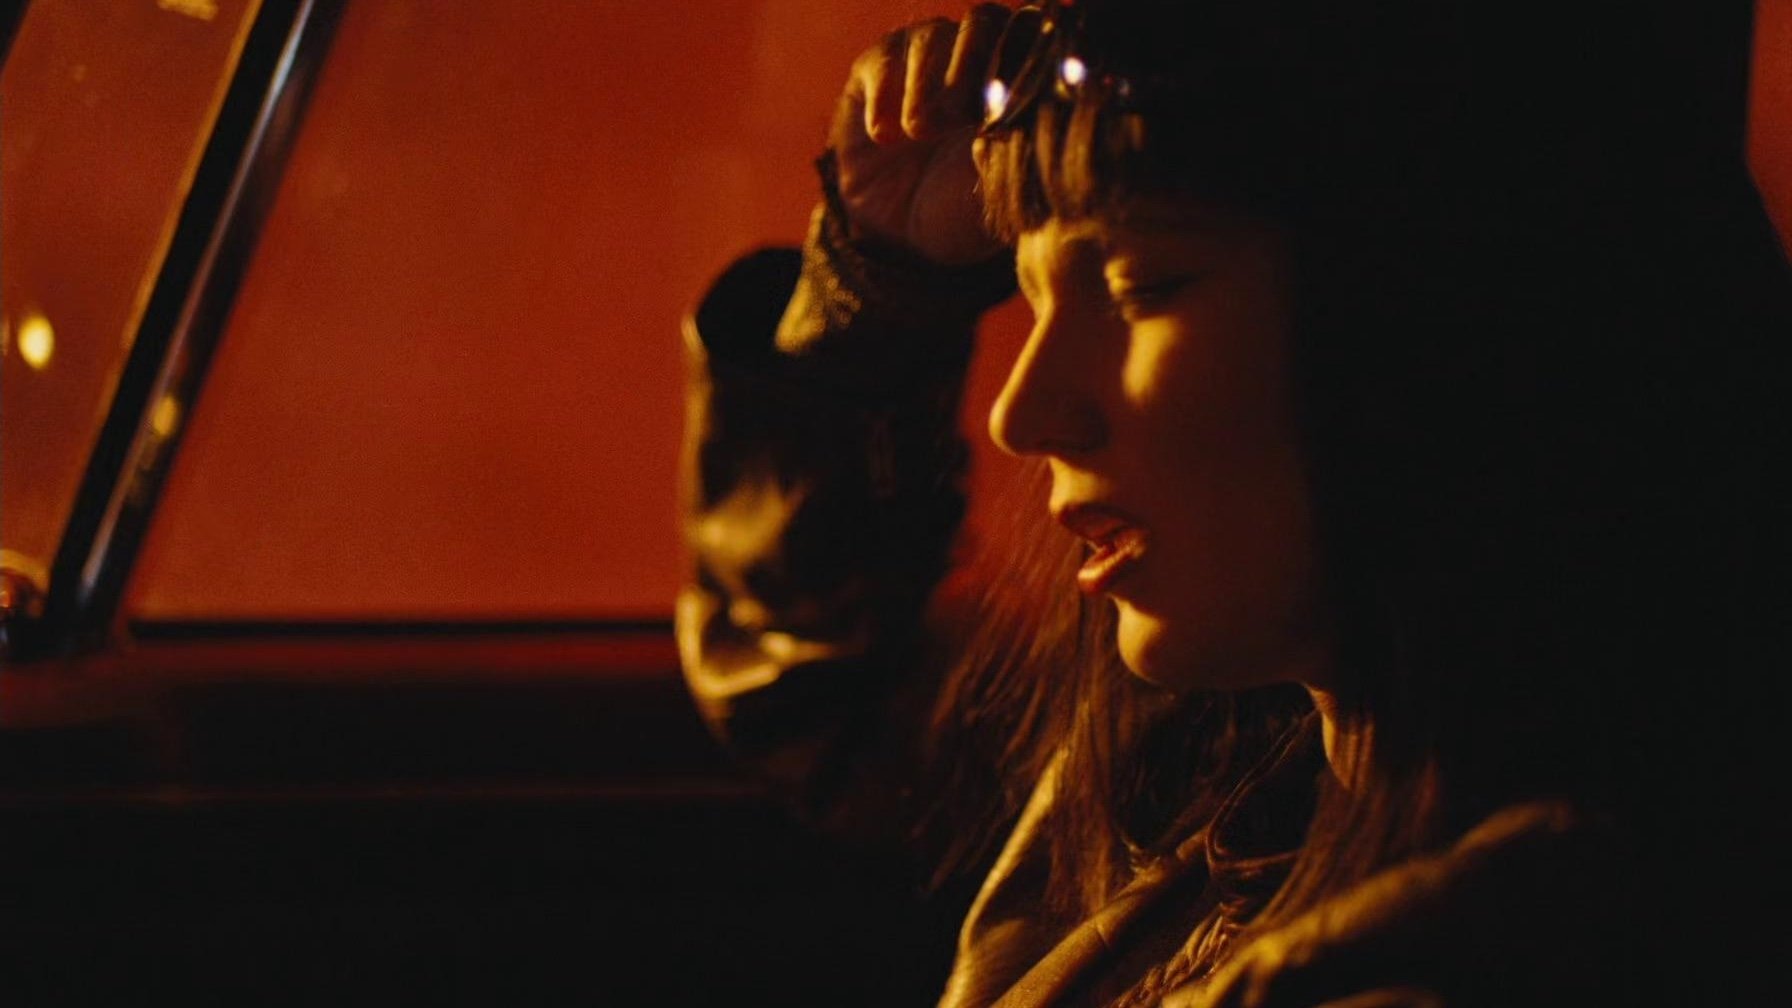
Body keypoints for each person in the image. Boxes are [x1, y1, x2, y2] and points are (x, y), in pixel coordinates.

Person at [676, 1, 1789, 1004]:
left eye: (1141, 287)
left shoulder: (1502, 942)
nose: (1022, 412)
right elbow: (828, 713)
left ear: (1454, 324)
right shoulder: (1208, 769)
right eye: (1026, 295)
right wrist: (875, 293)